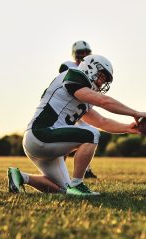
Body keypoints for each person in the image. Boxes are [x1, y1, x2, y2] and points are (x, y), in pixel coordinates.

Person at [7, 55, 146, 196]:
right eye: (101, 76)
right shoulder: (74, 75)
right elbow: (104, 102)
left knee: (63, 190)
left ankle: (20, 177)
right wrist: (135, 113)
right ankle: (77, 184)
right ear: (91, 68)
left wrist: (127, 128)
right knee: (91, 134)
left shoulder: (80, 96)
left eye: (104, 81)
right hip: (41, 133)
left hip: (42, 141)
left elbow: (101, 122)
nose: (101, 83)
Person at [59, 40, 97, 178]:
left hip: (82, 107)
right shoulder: (67, 66)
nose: (84, 55)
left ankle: (85, 170)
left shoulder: (92, 69)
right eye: (81, 52)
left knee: (90, 135)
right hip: (68, 107)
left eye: (87, 53)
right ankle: (59, 168)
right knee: (63, 138)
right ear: (74, 54)